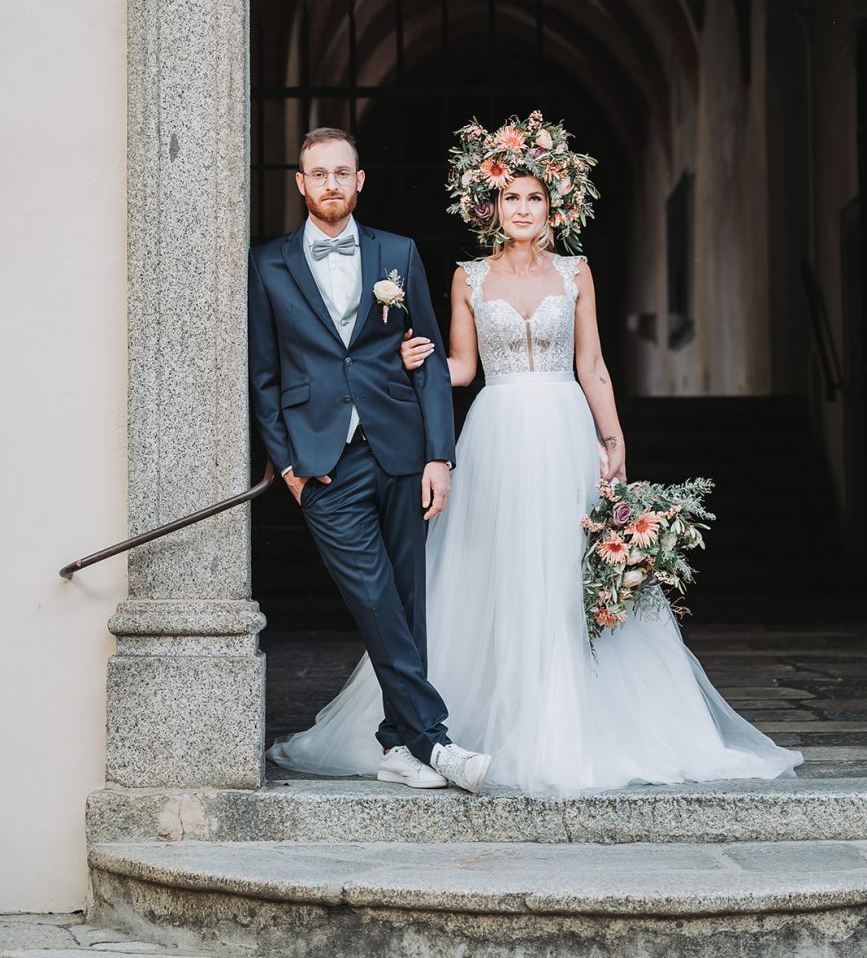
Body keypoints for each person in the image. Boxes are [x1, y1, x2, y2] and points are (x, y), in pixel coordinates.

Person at [269, 114, 801, 795]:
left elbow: (593, 365)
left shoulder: (576, 273)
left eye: (533, 198)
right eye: (510, 197)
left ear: (554, 208)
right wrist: (407, 361)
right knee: (495, 567)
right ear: (490, 207)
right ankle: (456, 724)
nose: (521, 209)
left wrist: (613, 440)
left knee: (561, 568)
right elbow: (461, 368)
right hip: (496, 431)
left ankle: (568, 720)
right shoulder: (467, 278)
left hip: (563, 429)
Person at [249, 126, 492, 793]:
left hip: (400, 451)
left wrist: (438, 456)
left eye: (341, 172)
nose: (330, 183)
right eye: (318, 173)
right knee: (374, 597)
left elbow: (427, 359)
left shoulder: (397, 252)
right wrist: (289, 467)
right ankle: (434, 741)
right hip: (322, 464)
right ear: (300, 184)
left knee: (407, 600)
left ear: (359, 181)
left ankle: (397, 746)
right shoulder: (267, 264)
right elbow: (263, 377)